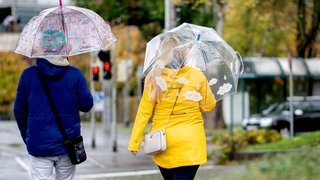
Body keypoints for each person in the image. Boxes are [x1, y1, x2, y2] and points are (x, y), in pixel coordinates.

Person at [128, 35, 216, 180]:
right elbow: (208, 106)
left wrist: (135, 142)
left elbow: (144, 112)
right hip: (190, 142)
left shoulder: (153, 78)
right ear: (184, 53)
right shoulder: (197, 75)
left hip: (163, 142)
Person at [14, 56, 93, 180]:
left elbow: (19, 111)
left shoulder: (28, 75)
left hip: (39, 145)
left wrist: (28, 137)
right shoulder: (75, 75)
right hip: (68, 144)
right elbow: (87, 105)